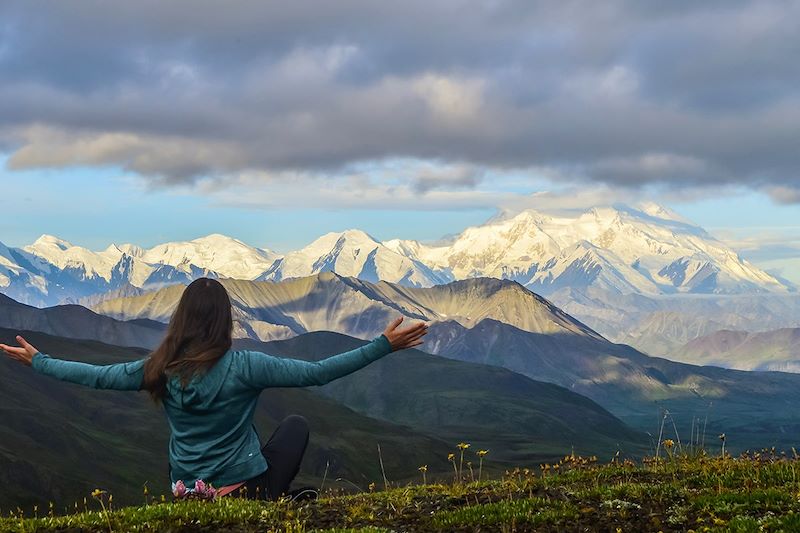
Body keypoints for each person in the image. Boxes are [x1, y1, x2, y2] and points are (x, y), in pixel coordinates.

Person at [1, 277, 428, 501]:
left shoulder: (158, 367)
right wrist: (381, 346)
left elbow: (96, 376)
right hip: (243, 488)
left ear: (182, 318)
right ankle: (270, 499)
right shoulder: (245, 366)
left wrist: (39, 360)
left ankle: (210, 495)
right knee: (294, 426)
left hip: (184, 490)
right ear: (225, 320)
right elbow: (317, 373)